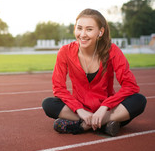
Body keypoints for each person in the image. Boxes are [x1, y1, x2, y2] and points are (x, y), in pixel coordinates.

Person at [42, 8, 147, 137]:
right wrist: (79, 110)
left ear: (100, 32)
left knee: (139, 100)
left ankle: (84, 125)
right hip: (79, 110)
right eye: (79, 28)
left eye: (89, 29)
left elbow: (130, 85)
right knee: (48, 104)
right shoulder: (65, 52)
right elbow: (59, 88)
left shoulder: (112, 50)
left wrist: (105, 107)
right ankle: (105, 125)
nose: (83, 34)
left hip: (107, 110)